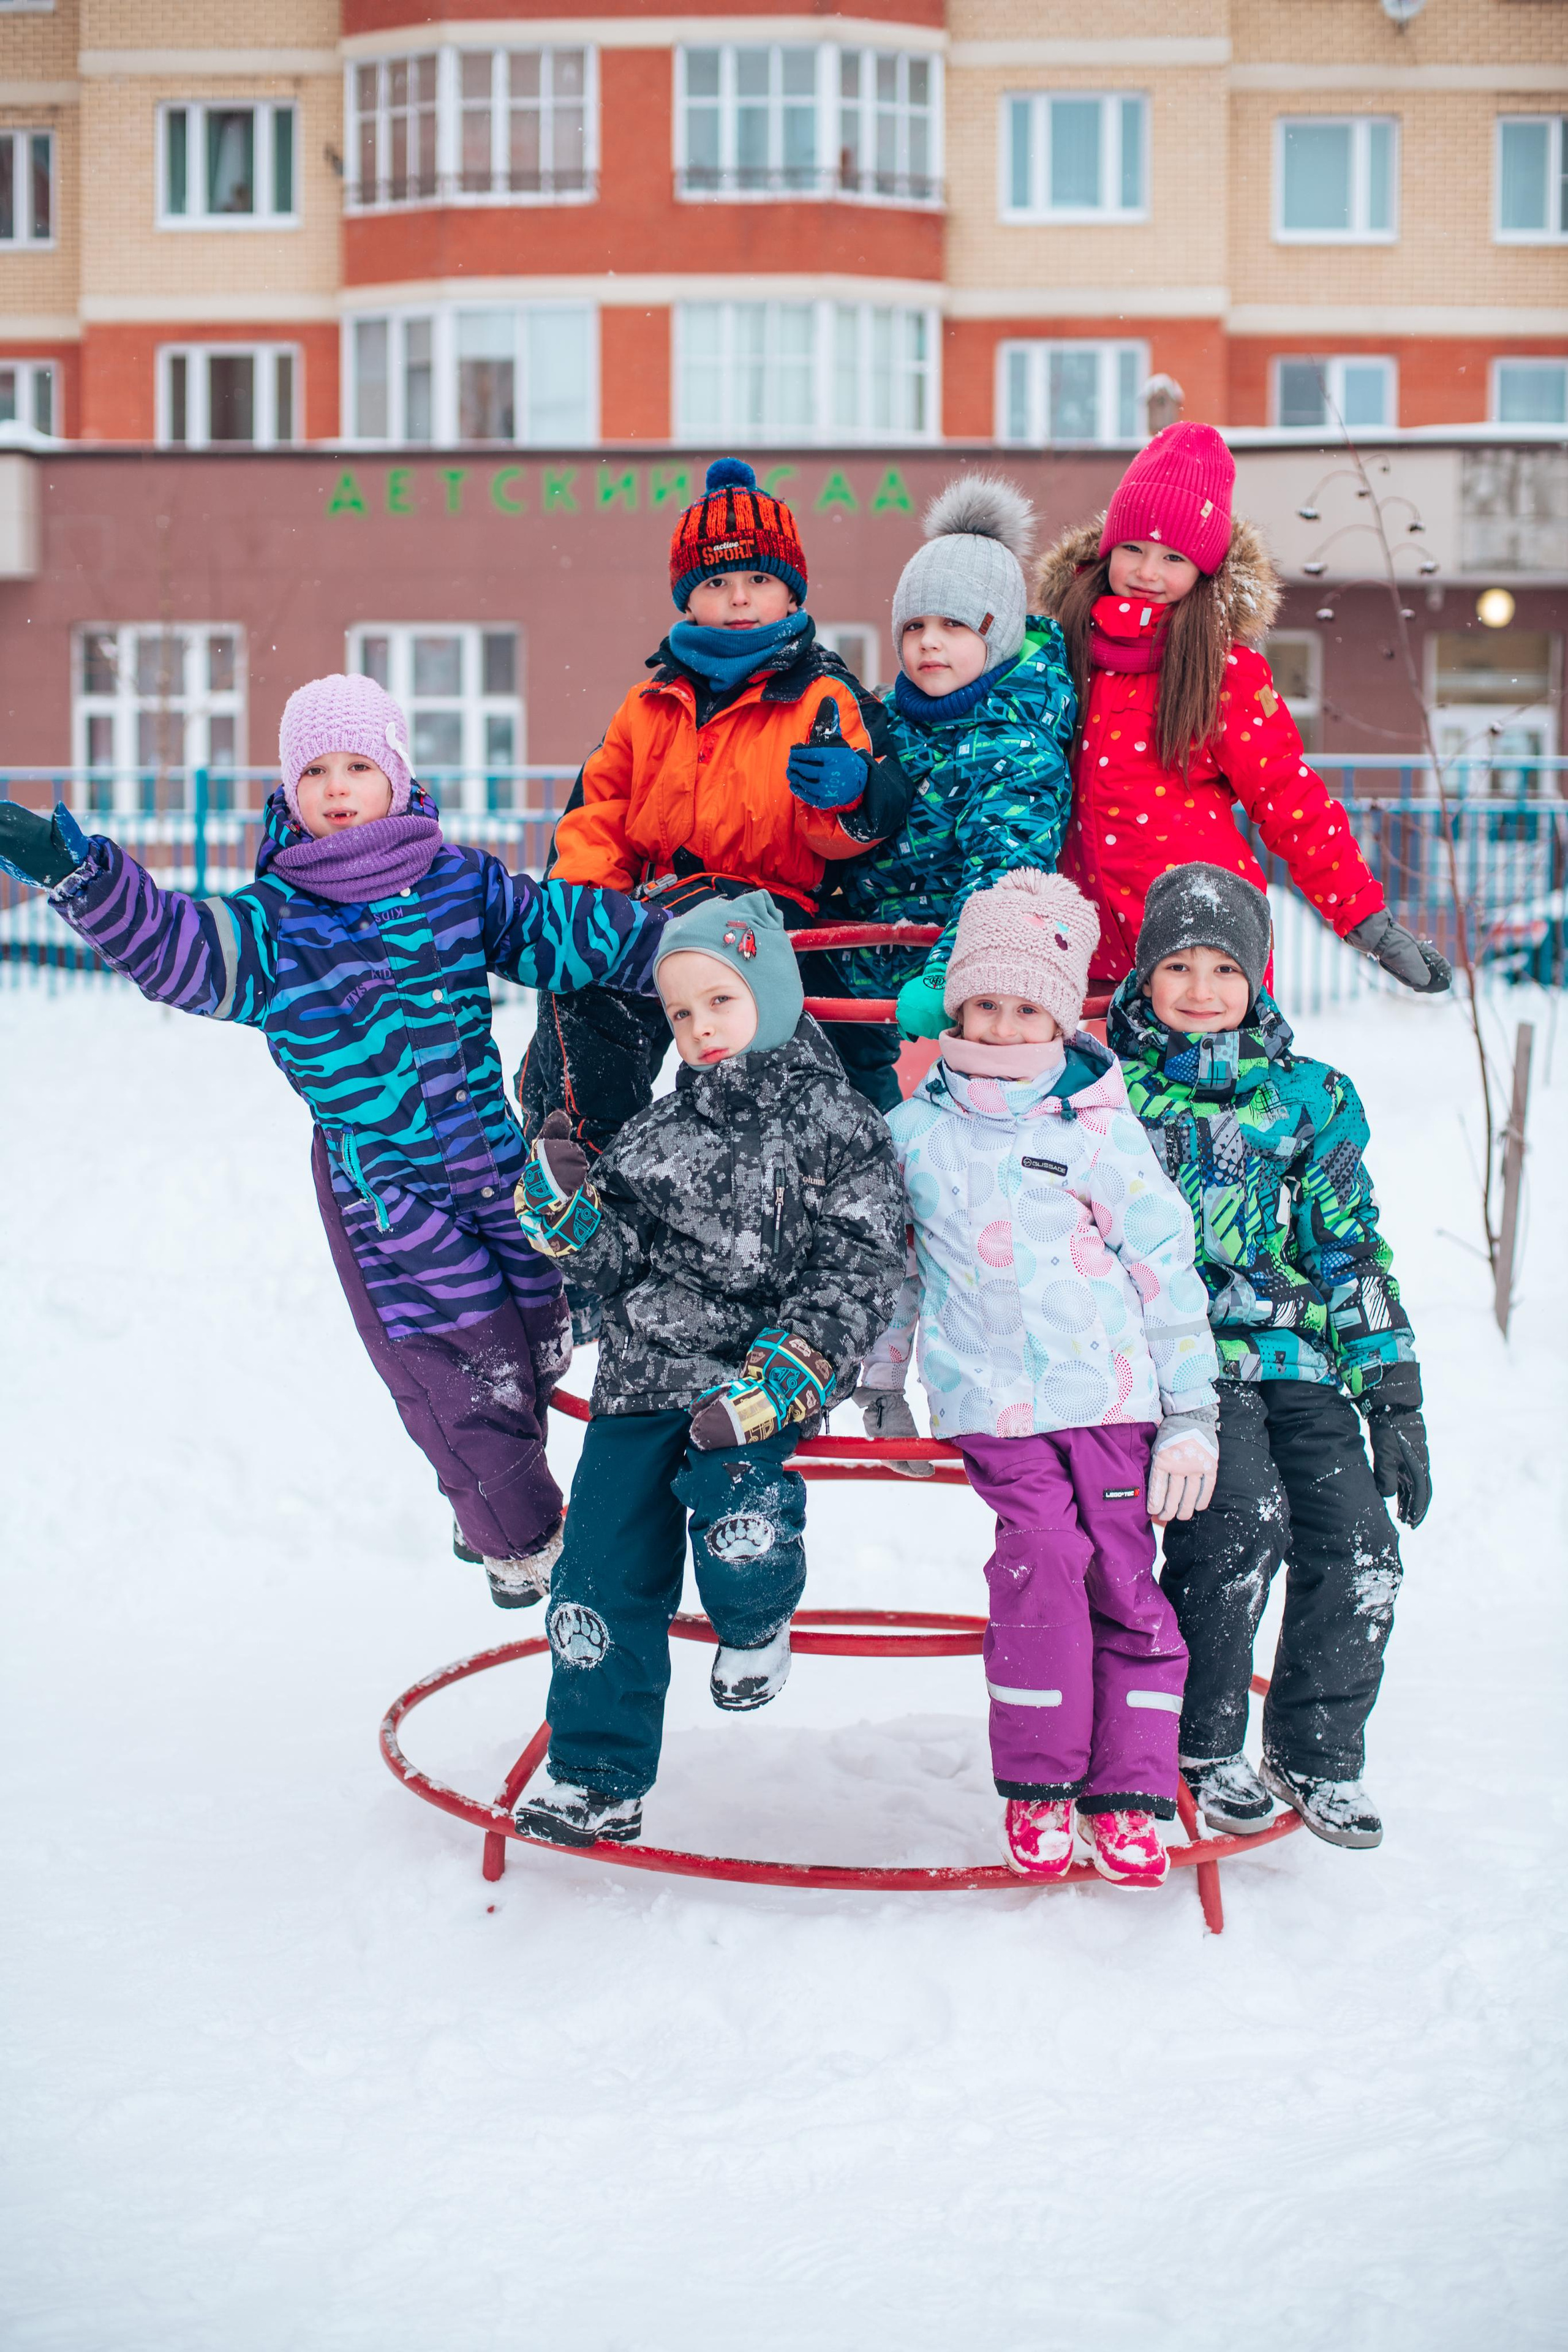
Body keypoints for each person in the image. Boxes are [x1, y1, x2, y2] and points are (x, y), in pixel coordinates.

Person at [0, 675, 663, 1606]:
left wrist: (676, 948)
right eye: (314, 771)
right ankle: (523, 1545)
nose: (337, 786)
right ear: (289, 789)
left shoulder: (456, 881)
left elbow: (557, 929)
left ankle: (499, 1504)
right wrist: (86, 878)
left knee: (535, 1338)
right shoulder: (276, 921)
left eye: (357, 765)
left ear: (396, 774)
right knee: (459, 1368)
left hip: (493, 1161)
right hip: (392, 1196)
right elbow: (176, 947)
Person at [510, 891, 905, 1849]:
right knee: (598, 1575)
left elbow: (861, 1261)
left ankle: (756, 1621)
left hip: (757, 1380)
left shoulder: (837, 1124)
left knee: (737, 1512)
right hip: (644, 1378)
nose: (700, 1028)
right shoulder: (657, 1133)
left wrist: (789, 1372)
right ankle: (595, 1776)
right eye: (681, 1013)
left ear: (773, 994)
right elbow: (613, 1266)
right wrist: (569, 1214)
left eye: (721, 1001)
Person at [858, 867, 1221, 1887]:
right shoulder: (915, 1135)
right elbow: (895, 1272)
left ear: (1060, 1018)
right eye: (985, 1005)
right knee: (1044, 1563)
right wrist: (884, 1385)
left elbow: (1164, 1267)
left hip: (1109, 1399)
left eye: (1027, 1009)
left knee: (1125, 1581)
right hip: (993, 1406)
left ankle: (1130, 1795)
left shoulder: (1098, 1128)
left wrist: (1192, 1409)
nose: (1005, 1026)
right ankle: (1040, 1785)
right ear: (956, 1010)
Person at [1107, 862, 1431, 1849]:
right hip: (1181, 1366)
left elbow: (1347, 1249)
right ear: (1145, 975)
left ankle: (1315, 1751)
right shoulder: (1106, 1093)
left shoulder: (1311, 1098)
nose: (1202, 989)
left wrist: (1394, 1394)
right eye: (1179, 966)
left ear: (1257, 979)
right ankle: (1200, 1744)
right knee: (1240, 1524)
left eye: (1225, 969)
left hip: (1297, 1362)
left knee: (1362, 1544)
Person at [517, 456, 913, 1166]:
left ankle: (855, 1172)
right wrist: (583, 904)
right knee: (583, 972)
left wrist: (848, 793)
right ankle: (576, 1151)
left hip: (780, 912)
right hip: (668, 906)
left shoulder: (823, 694)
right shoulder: (649, 705)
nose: (738, 598)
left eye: (758, 579)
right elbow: (601, 811)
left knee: (841, 1067)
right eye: (716, 582)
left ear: (789, 593)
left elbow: (872, 823)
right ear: (688, 600)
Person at [1032, 421, 1452, 1002]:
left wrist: (1363, 917)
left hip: (1200, 956)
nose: (1148, 573)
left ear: (1205, 572)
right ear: (1107, 552)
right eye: (1132, 549)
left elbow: (1288, 798)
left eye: (1173, 557)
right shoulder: (1058, 656)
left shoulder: (1222, 673)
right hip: (1077, 951)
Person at [820, 474, 1079, 1110]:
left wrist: (945, 973)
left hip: (946, 964)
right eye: (914, 625)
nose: (928, 641)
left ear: (998, 634)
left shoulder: (1018, 746)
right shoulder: (883, 720)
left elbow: (1002, 877)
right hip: (861, 948)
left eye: (954, 625)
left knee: (906, 1100)